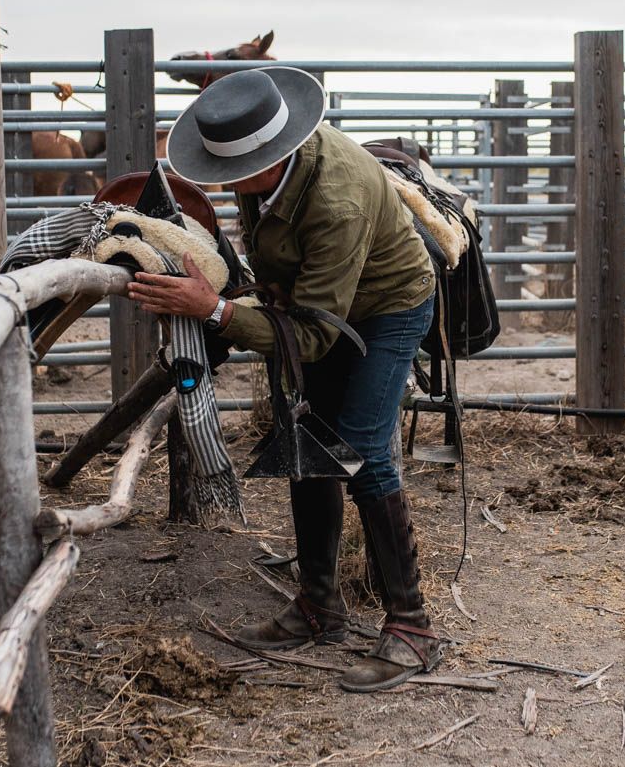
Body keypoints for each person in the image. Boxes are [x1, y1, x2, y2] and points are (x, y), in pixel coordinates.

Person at [128, 66, 442, 692]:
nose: (226, 183)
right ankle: (319, 605)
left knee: (362, 449)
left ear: (270, 157)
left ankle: (412, 628)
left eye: (233, 172)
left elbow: (316, 336)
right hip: (320, 300)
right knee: (309, 437)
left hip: (388, 307)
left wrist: (215, 311)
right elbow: (274, 258)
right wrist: (252, 288)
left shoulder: (337, 198)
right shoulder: (264, 176)